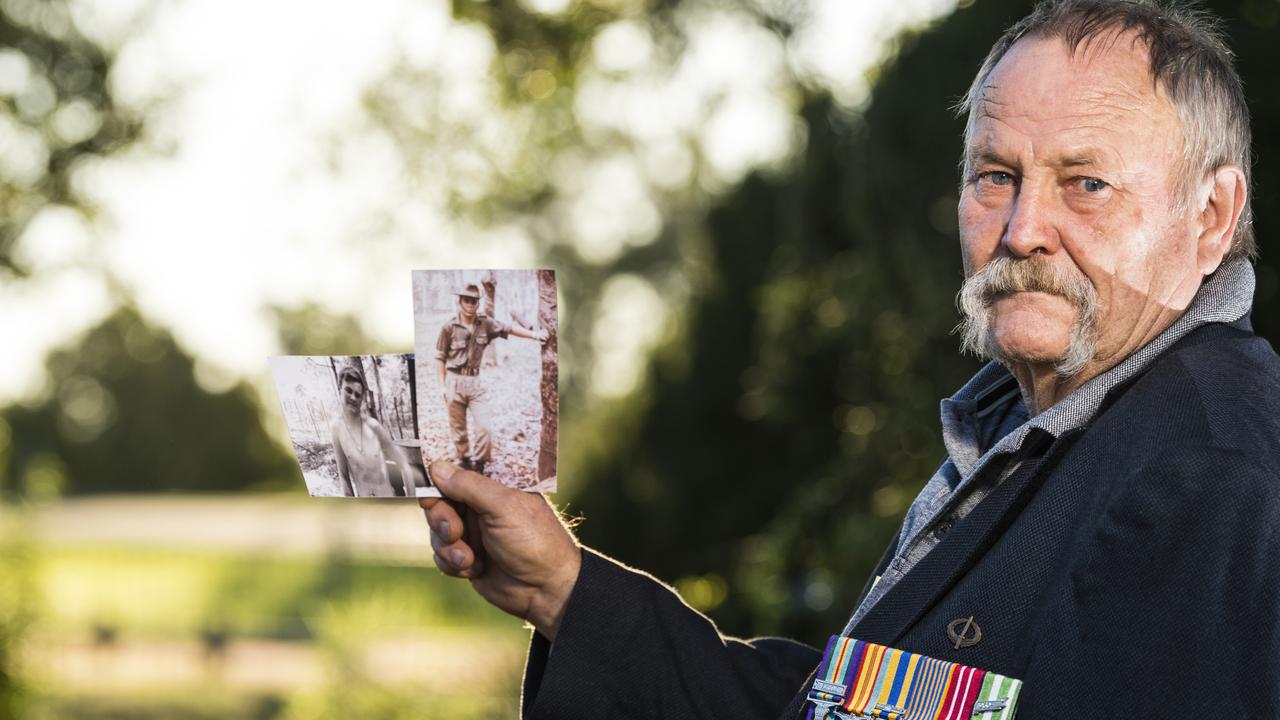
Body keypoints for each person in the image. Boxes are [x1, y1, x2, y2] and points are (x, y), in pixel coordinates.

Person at [421, 1, 1280, 716]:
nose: (1022, 231)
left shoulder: (1208, 474)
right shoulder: (1029, 426)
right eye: (994, 176)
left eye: (1084, 183)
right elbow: (844, 707)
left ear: (1211, 215)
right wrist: (561, 589)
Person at [435, 282, 549, 475]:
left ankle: (479, 464)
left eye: (474, 301)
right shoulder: (449, 327)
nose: (471, 305)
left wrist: (534, 335)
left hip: (475, 382)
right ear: (460, 302)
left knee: (484, 427)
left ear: (478, 303)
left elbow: (509, 329)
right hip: (453, 381)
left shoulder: (485, 323)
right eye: (467, 300)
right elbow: (439, 357)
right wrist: (442, 386)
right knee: (458, 428)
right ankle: (463, 460)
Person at [330, 363, 411, 497]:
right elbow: (343, 476)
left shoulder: (373, 426)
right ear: (340, 388)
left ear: (362, 398)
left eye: (358, 394)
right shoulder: (336, 428)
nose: (353, 398)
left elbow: (405, 466)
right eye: (348, 390)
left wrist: (411, 500)